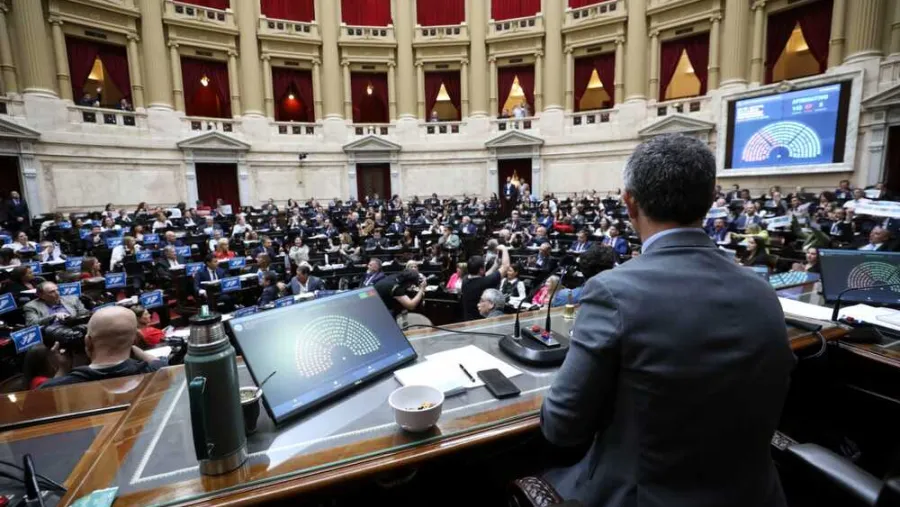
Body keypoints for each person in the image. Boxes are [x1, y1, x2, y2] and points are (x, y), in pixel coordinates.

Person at [540, 133, 794, 507]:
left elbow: (561, 428)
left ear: (629, 203)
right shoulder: (762, 290)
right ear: (710, 201)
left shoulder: (611, 292)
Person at [40, 307, 168, 389]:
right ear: (134, 339)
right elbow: (159, 364)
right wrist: (134, 348)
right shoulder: (158, 371)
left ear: (88, 342)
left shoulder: (56, 387)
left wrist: (62, 369)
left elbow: (48, 395)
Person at [460, 245, 510, 321]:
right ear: (481, 270)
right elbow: (505, 267)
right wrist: (504, 249)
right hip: (480, 322)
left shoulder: (465, 279)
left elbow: (484, 276)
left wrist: (495, 265)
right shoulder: (484, 283)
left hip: (467, 320)